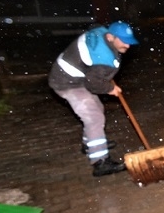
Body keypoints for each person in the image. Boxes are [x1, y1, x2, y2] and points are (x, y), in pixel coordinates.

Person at [48, 21, 139, 177]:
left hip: (76, 75)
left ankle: (91, 144)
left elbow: (94, 29)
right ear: (110, 37)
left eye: (129, 41)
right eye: (124, 41)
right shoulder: (103, 58)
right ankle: (100, 162)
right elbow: (93, 83)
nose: (128, 46)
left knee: (97, 109)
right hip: (67, 82)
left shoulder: (103, 33)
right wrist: (110, 89)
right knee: (94, 117)